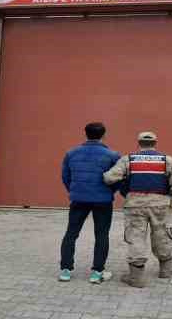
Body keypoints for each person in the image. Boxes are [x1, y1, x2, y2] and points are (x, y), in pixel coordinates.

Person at [103, 131, 172, 288]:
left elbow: (109, 178)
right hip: (161, 204)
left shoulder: (128, 160)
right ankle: (166, 270)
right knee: (162, 235)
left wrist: (123, 185)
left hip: (135, 204)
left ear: (139, 143)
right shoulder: (167, 160)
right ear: (155, 143)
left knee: (136, 237)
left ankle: (136, 278)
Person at [59, 122, 121, 284]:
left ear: (85, 133)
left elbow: (66, 177)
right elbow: (117, 179)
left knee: (71, 233)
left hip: (78, 199)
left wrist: (75, 191)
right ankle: (97, 272)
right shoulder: (113, 155)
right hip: (103, 200)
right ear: (104, 135)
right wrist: (110, 192)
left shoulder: (71, 153)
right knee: (101, 235)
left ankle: (65, 270)